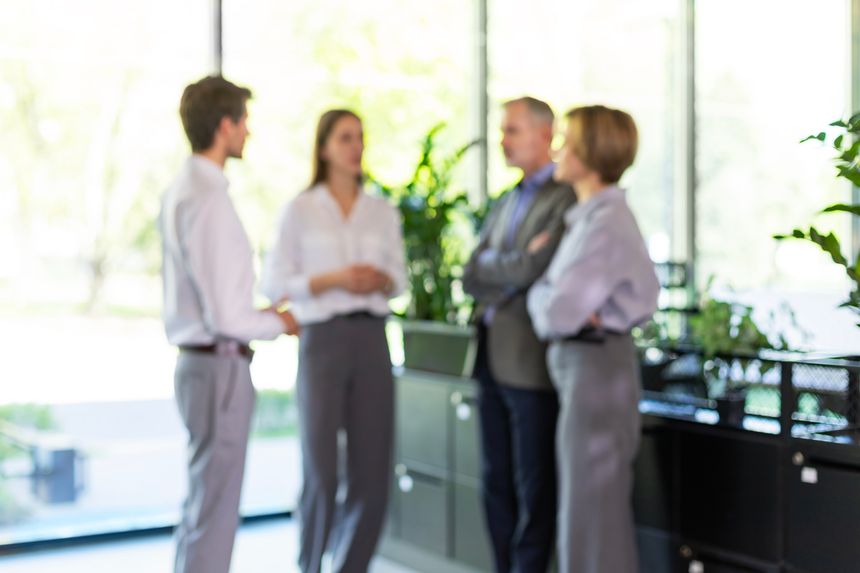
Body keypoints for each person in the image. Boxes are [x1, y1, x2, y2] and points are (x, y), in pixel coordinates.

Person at [160, 75, 299, 573]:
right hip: (219, 368)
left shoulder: (185, 188)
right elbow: (226, 316)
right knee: (215, 511)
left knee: (203, 503)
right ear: (224, 126)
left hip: (200, 365)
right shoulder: (209, 198)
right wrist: (280, 321)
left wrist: (264, 313)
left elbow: (216, 298)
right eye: (244, 122)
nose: (248, 133)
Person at [261, 109, 407, 573]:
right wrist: (333, 279)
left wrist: (376, 279)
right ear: (324, 147)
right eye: (345, 138)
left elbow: (400, 279)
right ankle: (310, 565)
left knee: (372, 473)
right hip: (322, 340)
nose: (356, 146)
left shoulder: (381, 210)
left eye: (360, 137)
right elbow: (275, 283)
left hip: (371, 339)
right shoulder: (301, 210)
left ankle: (351, 567)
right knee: (320, 471)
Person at [527, 105, 660, 573]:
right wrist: (550, 299)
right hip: (587, 371)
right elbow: (555, 302)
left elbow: (557, 312)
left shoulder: (604, 224)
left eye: (567, 139)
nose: (557, 148)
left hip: (596, 373)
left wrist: (547, 299)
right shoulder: (588, 218)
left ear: (591, 151)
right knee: (589, 514)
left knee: (592, 517)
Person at [462, 97, 576, 573]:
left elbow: (535, 267)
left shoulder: (565, 196)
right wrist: (501, 268)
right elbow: (470, 271)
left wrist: (499, 267)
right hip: (488, 356)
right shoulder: (507, 199)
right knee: (495, 480)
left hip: (530, 365)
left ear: (544, 134)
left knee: (534, 484)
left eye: (512, 131)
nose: (503, 141)